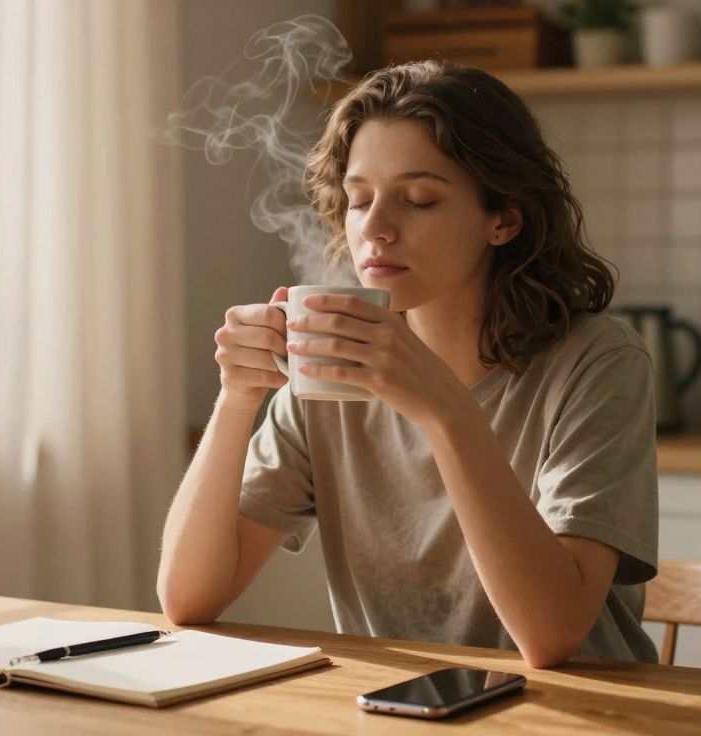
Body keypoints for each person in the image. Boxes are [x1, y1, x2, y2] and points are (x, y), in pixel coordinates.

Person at [156, 60, 658, 668]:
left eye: (418, 200)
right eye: (359, 199)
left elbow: (551, 637)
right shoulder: (334, 364)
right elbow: (187, 599)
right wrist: (237, 397)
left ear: (504, 218)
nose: (376, 228)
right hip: (400, 710)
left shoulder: (597, 361)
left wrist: (444, 407)